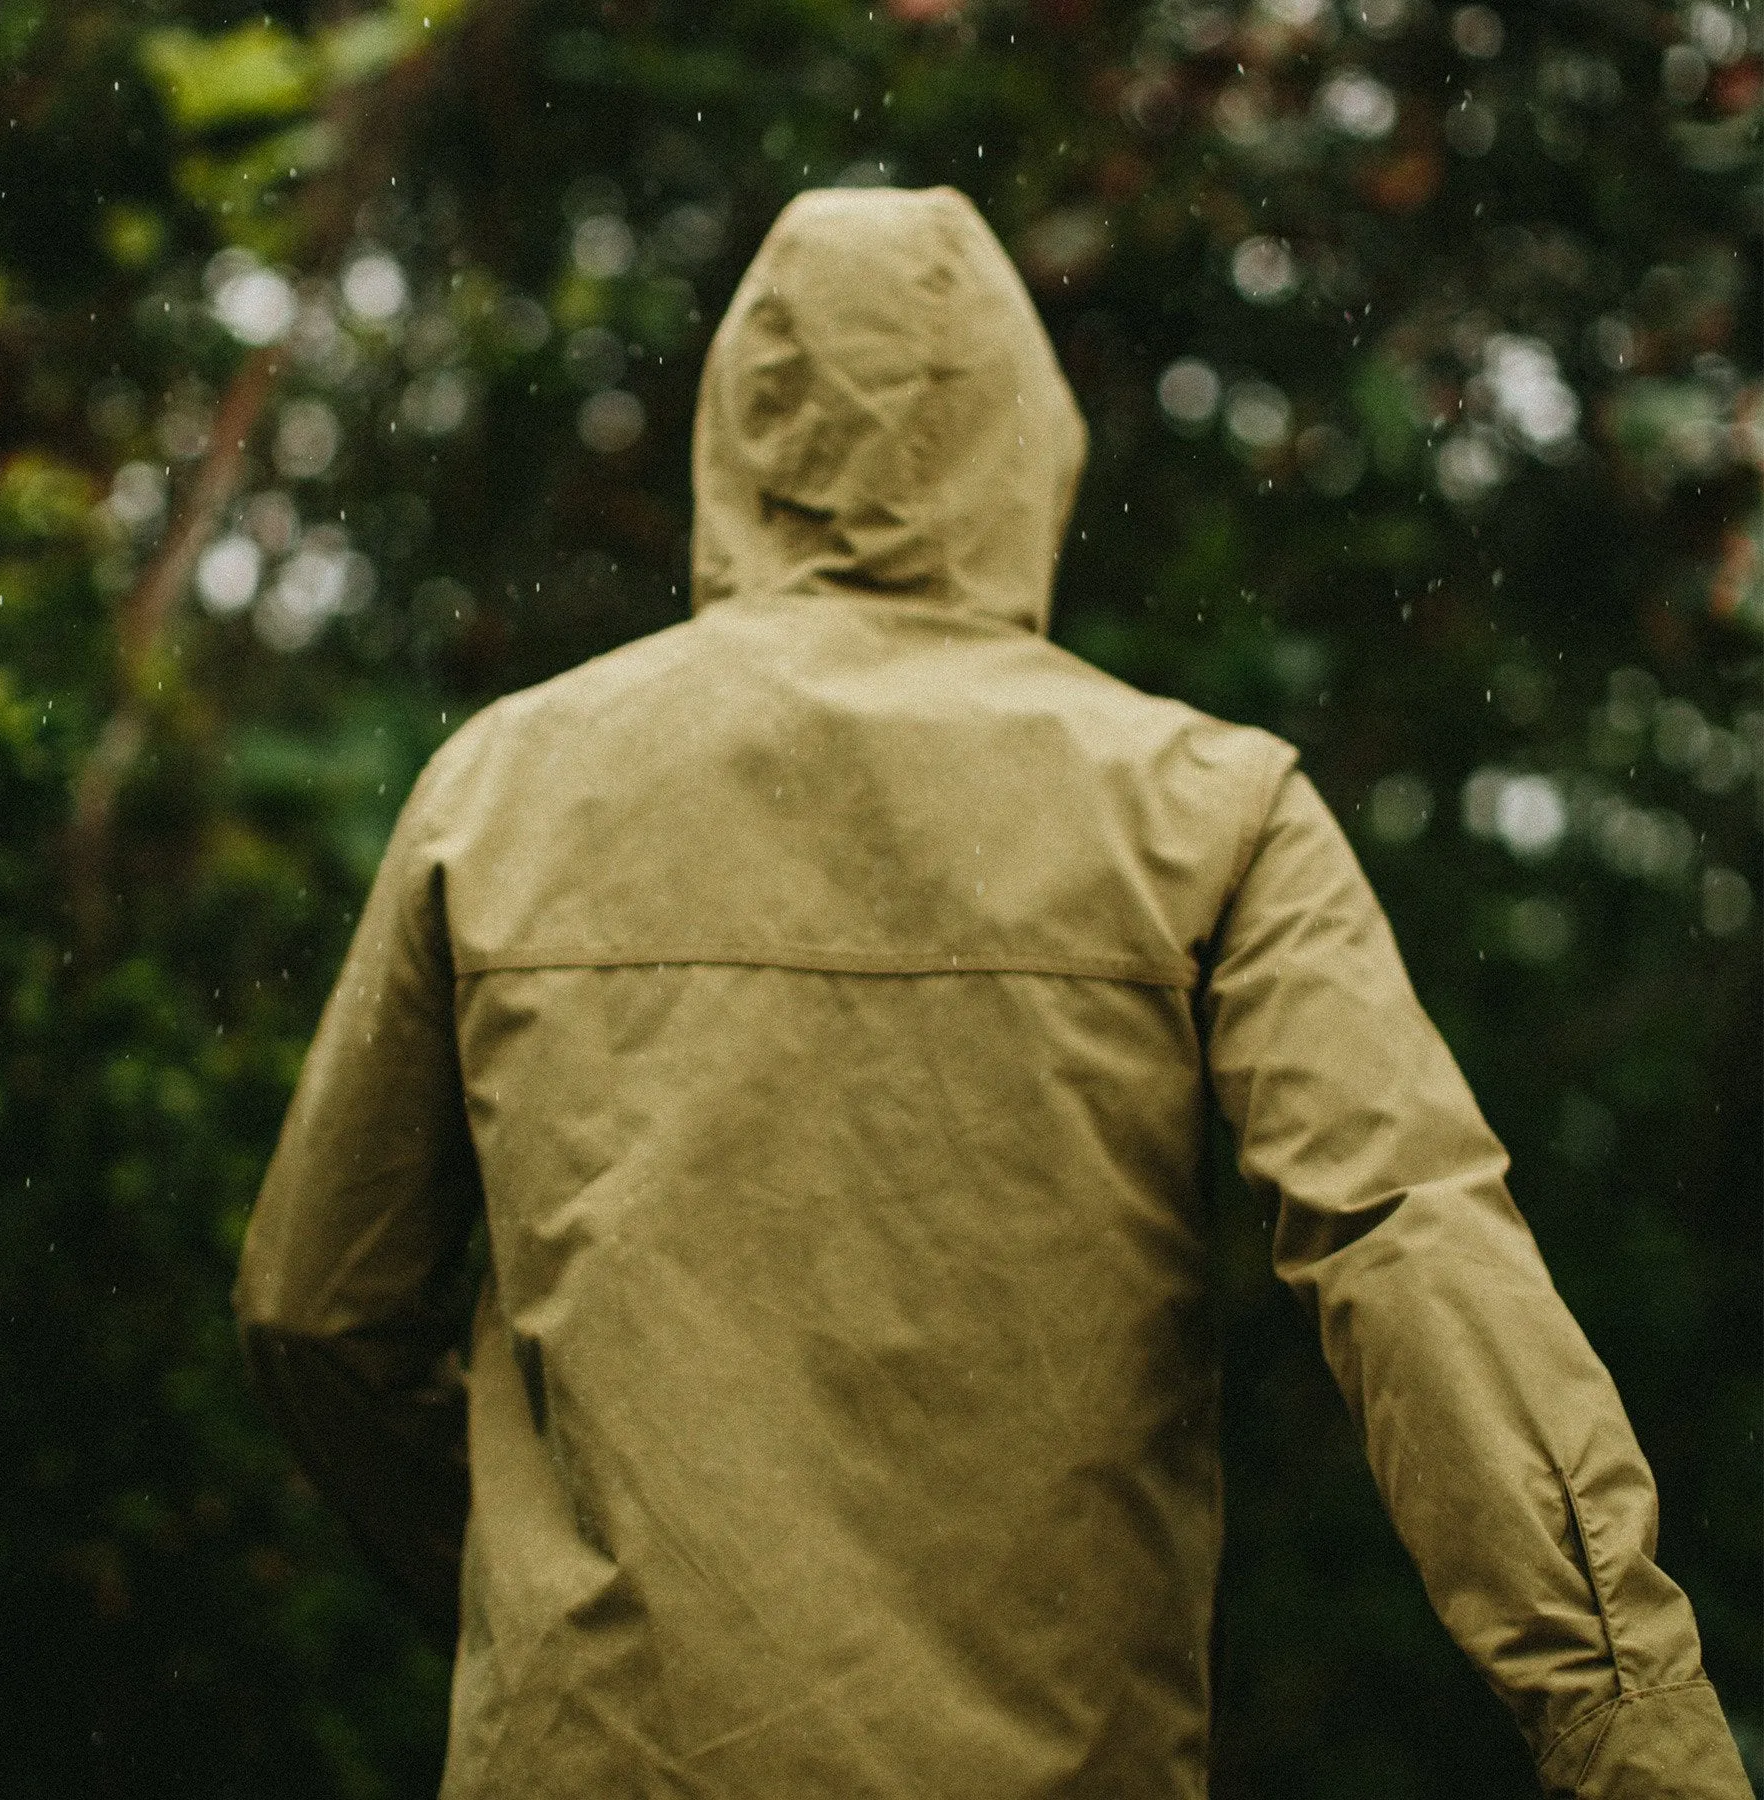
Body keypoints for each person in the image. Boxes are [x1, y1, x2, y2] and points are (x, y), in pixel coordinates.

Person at [233, 186, 1750, 1799]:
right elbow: (1414, 1249)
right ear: (1025, 447)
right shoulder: (1202, 808)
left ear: (733, 439)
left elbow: (315, 1311)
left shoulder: (506, 790)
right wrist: (1634, 1733)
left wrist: (574, 1612)